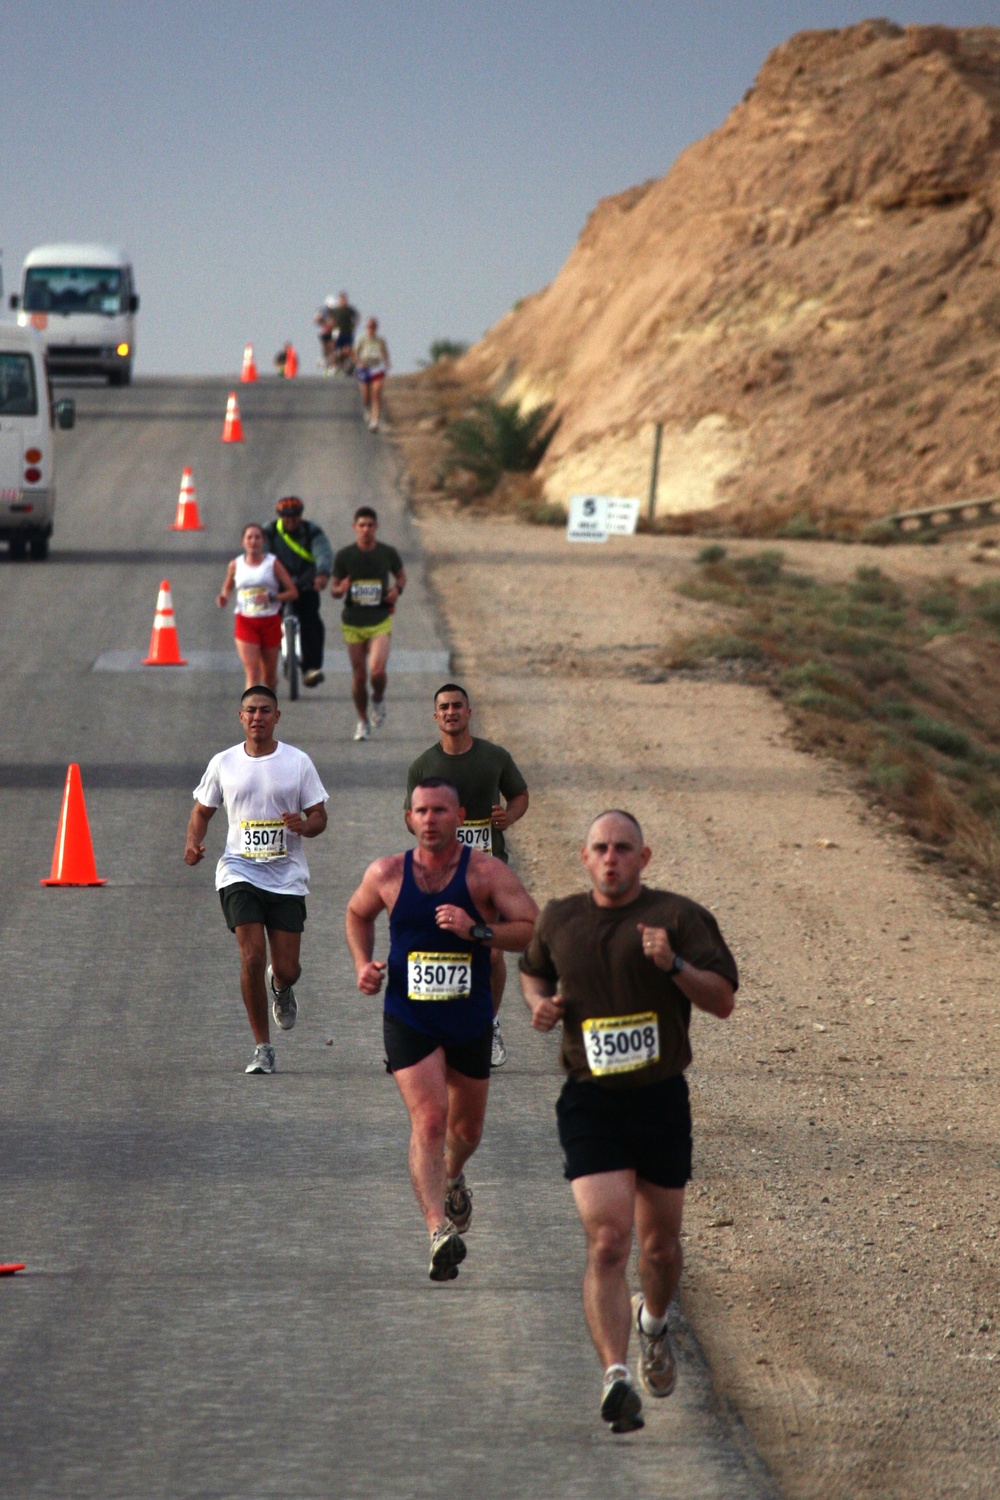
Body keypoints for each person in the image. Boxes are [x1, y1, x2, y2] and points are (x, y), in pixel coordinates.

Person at [519, 811, 738, 1433]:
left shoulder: (678, 917)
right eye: (600, 848)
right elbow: (533, 967)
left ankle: (654, 1324)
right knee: (609, 1241)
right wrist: (539, 1004)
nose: (611, 858)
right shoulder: (560, 918)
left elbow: (721, 1001)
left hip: (660, 1097)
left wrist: (673, 965)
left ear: (644, 857)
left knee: (661, 1249)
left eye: (623, 848)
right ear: (584, 858)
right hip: (590, 1102)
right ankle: (616, 1374)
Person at [345, 778, 538, 1281]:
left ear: (459, 817)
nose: (430, 819)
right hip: (409, 1016)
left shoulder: (485, 873)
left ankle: (453, 1176)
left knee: (466, 1130)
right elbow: (356, 912)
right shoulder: (387, 872)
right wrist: (362, 962)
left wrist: (477, 930)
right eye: (421, 811)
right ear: (408, 818)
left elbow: (532, 929)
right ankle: (437, 1231)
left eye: (440, 811)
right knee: (430, 1119)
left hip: (468, 1017)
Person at [185, 686, 329, 1075]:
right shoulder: (224, 762)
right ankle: (262, 1048)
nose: (257, 717)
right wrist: (193, 843)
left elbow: (320, 816)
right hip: (239, 871)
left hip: (286, 877)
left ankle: (281, 987)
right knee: (251, 956)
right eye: (250, 711)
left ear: (277, 716)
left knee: (288, 967)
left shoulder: (297, 762)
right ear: (240, 716)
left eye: (265, 711)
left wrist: (306, 825)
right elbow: (202, 811)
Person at [405, 683, 529, 1069]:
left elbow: (520, 795)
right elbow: (409, 815)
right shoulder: (424, 766)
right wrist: (431, 833)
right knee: (441, 952)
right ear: (436, 716)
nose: (451, 712)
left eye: (458, 705)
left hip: (490, 871)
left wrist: (509, 817)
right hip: (442, 874)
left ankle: (488, 1027)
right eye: (444, 707)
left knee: (491, 956)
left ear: (469, 712)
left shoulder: (494, 756)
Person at [331, 506, 405, 741]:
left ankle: (378, 698)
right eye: (361, 525)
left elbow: (401, 576)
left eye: (370, 525)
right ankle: (362, 721)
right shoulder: (345, 556)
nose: (366, 529)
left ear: (376, 526)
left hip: (379, 620)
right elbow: (333, 589)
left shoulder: (387, 553)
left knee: (377, 670)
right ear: (355, 527)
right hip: (353, 622)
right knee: (360, 675)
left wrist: (397, 590)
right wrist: (340, 589)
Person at [217, 523, 298, 691]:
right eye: (249, 537)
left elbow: (292, 592)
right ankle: (249, 715)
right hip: (246, 622)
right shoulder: (235, 565)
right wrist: (224, 597)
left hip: (270, 621)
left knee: (268, 677)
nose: (253, 541)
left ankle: (269, 704)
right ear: (243, 542)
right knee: (253, 674)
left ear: (263, 541)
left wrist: (272, 597)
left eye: (257, 537)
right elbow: (228, 587)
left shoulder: (272, 563)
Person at [263, 496, 333, 688]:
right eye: (286, 517)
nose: (291, 520)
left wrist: (322, 574)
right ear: (280, 517)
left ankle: (311, 669)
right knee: (267, 625)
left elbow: (323, 552)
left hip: (306, 584)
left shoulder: (312, 531)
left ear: (300, 516)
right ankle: (268, 672)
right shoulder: (269, 532)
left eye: (295, 516)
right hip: (278, 587)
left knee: (312, 622)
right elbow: (262, 555)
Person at [354, 316, 390, 430]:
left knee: (376, 393)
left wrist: (386, 362)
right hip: (364, 367)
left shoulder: (380, 340)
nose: (370, 329)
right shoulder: (361, 339)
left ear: (376, 328)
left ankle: (375, 422)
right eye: (369, 327)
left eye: (373, 327)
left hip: (377, 367)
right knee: (366, 395)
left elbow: (384, 352)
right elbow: (354, 352)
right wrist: (359, 362)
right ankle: (366, 408)